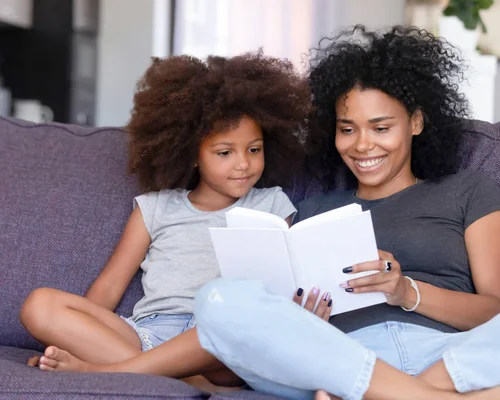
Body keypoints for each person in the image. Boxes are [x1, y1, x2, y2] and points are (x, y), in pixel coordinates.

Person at [25, 26, 500, 400]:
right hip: (333, 355)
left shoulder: (471, 190)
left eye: (381, 127)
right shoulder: (315, 205)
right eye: (347, 129)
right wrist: (304, 316)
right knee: (220, 299)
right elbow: (273, 318)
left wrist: (407, 293)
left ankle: (423, 392)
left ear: (417, 122)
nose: (362, 144)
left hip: (445, 350)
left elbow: (497, 312)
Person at [19, 52, 309, 391]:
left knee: (241, 323)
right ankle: (181, 378)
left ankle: (110, 369)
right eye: (225, 152)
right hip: (146, 333)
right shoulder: (155, 208)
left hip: (220, 338)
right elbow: (110, 287)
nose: (243, 164)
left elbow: (284, 282)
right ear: (192, 154)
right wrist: (70, 338)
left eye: (254, 150)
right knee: (39, 304)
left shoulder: (272, 203)